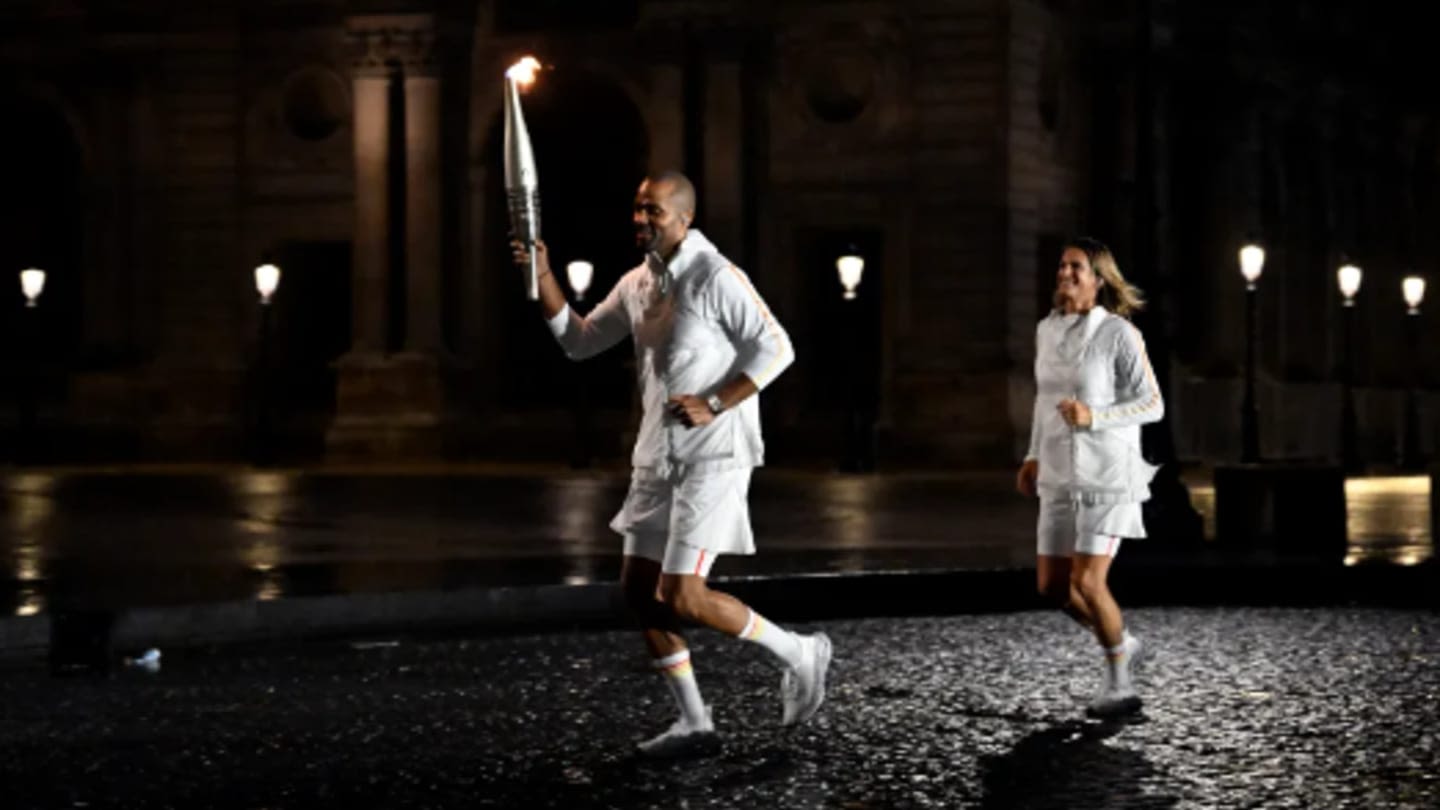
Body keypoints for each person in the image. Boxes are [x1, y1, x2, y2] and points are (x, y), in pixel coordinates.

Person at [513, 170, 831, 757]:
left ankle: (800, 652)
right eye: (637, 209)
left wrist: (716, 402)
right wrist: (543, 276)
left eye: (653, 212)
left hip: (714, 457)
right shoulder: (638, 282)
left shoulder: (715, 276)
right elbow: (580, 341)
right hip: (657, 456)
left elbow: (777, 347)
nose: (641, 219)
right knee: (639, 592)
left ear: (684, 217)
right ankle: (694, 723)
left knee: (682, 593)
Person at [1016, 236, 1163, 718]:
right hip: (1059, 473)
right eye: (1062, 266)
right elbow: (1043, 401)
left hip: (1106, 475)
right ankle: (1120, 638)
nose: (1065, 274)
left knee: (1090, 582)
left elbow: (1153, 404)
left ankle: (1119, 683)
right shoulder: (1046, 330)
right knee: (1052, 588)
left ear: (1099, 280)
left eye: (1077, 267)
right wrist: (1033, 455)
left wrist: (1094, 417)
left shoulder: (1118, 333)